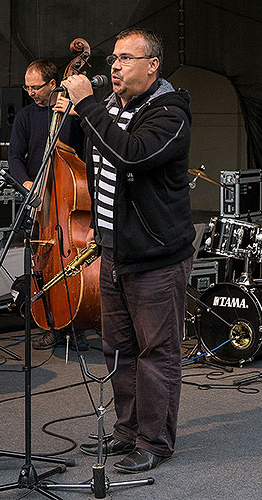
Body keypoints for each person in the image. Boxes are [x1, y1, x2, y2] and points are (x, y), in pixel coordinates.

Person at [62, 27, 194, 473]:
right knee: (118, 347)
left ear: (152, 65)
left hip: (156, 255)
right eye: (113, 58)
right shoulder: (113, 109)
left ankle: (155, 442)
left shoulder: (169, 113)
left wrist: (86, 107)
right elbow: (86, 154)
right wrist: (73, 114)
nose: (114, 65)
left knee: (156, 353)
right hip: (114, 251)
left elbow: (132, 156)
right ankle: (128, 430)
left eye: (125, 58)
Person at [8, 58, 89, 351]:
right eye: (27, 87)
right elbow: (14, 158)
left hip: (69, 202)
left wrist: (77, 114)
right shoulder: (26, 116)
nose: (30, 92)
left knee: (73, 264)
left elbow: (89, 151)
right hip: (40, 203)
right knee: (41, 266)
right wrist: (28, 185)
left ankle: (77, 322)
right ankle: (53, 322)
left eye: (35, 87)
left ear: (53, 84)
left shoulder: (74, 114)